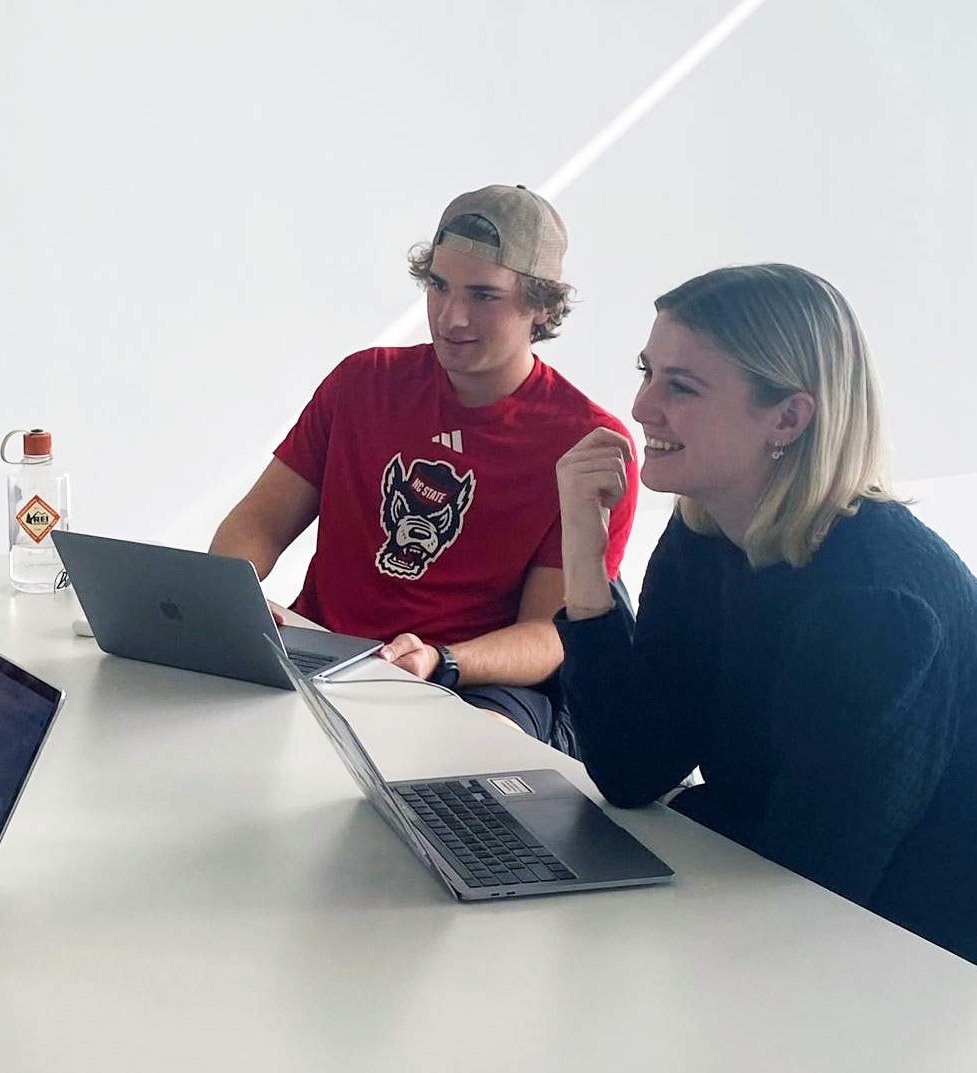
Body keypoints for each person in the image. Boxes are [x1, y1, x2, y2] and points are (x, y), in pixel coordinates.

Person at [554, 263, 977, 963]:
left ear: (786, 417)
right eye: (646, 371)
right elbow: (631, 767)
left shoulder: (877, 604)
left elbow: (814, 884)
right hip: (778, 916)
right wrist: (582, 548)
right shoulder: (705, 533)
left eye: (679, 386)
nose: (639, 406)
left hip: (915, 968)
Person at [211, 185, 636, 753]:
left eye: (483, 295)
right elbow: (258, 524)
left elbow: (546, 637)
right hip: (328, 648)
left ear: (541, 306)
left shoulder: (585, 443)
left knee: (474, 760)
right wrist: (226, 599)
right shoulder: (362, 382)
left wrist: (444, 660)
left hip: (474, 679)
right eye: (439, 286)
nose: (452, 316)